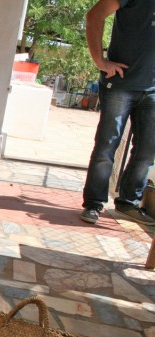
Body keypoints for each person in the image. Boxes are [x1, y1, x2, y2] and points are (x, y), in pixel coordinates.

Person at [80, 0, 155, 225]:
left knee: (147, 151)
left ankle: (128, 203)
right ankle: (93, 204)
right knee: (107, 145)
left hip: (152, 90)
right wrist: (100, 61)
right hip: (120, 84)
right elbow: (94, 16)